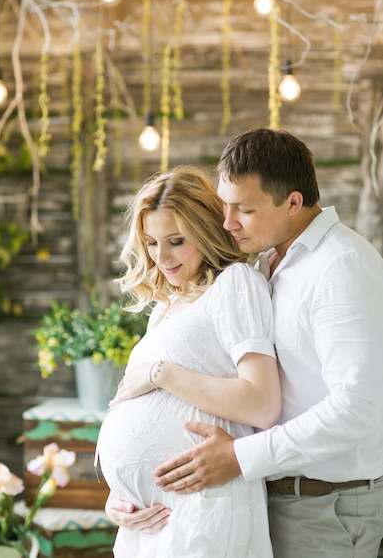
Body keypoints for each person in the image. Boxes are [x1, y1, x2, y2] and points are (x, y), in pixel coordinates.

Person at [106, 129, 383, 558]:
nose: (227, 221)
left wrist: (240, 456)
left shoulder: (340, 266)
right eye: (224, 205)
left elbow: (359, 407)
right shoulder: (268, 261)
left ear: (292, 202)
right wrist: (127, 483)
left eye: (244, 209)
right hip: (277, 497)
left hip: (326, 503)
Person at [95, 165, 281, 557]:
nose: (161, 257)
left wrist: (162, 374)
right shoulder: (167, 305)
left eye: (176, 241)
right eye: (150, 242)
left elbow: (261, 404)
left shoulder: (234, 283)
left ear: (206, 230)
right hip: (149, 521)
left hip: (202, 508)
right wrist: (118, 496)